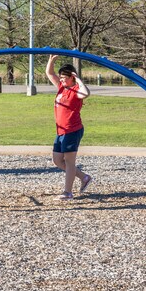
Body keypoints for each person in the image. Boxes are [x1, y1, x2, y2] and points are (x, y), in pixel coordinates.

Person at [46, 55, 92, 200]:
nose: (62, 80)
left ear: (72, 77)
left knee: (70, 161)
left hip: (72, 129)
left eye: (65, 78)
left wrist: (78, 79)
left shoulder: (76, 90)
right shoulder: (61, 88)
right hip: (61, 130)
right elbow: (49, 73)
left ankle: (68, 192)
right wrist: (51, 60)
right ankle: (84, 177)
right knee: (57, 160)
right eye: (61, 78)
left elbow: (86, 93)